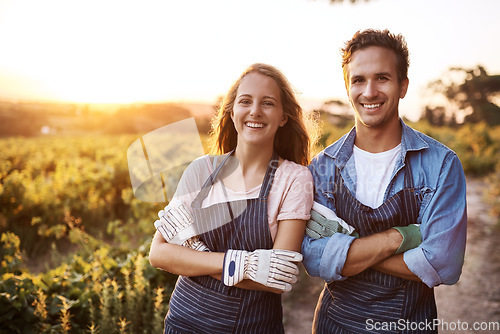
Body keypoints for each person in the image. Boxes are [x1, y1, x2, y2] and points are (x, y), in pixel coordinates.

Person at [302, 29, 467, 333]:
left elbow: (444, 263)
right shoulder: (323, 166)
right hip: (334, 324)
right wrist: (400, 238)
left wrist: (346, 249)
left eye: (382, 78)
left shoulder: (441, 164)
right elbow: (315, 259)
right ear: (347, 86)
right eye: (359, 80)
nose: (370, 92)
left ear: (403, 86)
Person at [149, 63, 316, 333]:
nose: (255, 111)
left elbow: (276, 278)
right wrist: (245, 264)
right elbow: (159, 253)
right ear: (232, 110)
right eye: (246, 101)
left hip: (252, 326)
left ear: (284, 116)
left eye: (268, 103)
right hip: (183, 322)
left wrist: (192, 252)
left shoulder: (294, 179)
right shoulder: (201, 170)